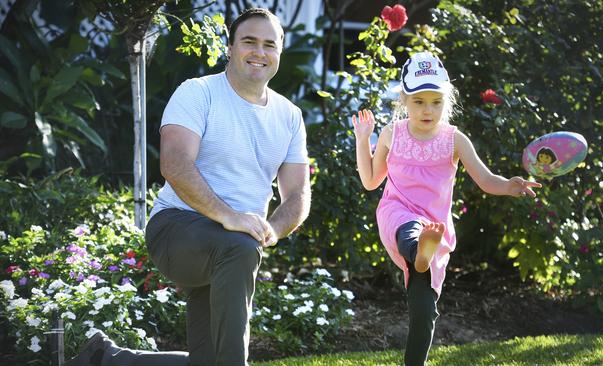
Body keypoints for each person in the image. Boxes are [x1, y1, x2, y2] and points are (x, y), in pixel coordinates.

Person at [65, 7, 310, 366]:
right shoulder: (198, 93)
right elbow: (176, 164)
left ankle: (108, 357)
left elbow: (298, 194)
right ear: (230, 48)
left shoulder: (289, 116)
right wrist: (230, 217)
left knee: (206, 360)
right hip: (176, 229)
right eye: (249, 41)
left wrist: (271, 228)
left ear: (279, 53)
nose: (260, 52)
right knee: (240, 249)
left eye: (269, 45)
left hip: (230, 245)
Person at [351, 51, 541, 366]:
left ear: (446, 100)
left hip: (435, 230)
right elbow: (371, 181)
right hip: (396, 214)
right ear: (404, 100)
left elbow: (485, 179)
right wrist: (362, 139)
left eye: (436, 102)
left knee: (424, 307)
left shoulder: (455, 140)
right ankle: (417, 250)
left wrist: (508, 185)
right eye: (419, 102)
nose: (428, 110)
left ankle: (415, 358)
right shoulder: (392, 133)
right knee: (409, 229)